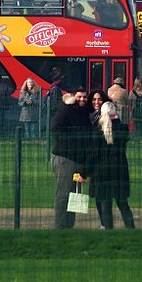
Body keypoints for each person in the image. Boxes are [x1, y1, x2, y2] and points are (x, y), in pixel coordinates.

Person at [50, 89, 95, 228]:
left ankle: (69, 225)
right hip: (65, 156)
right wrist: (73, 142)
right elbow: (55, 130)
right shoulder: (66, 110)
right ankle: (60, 225)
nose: (82, 99)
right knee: (64, 193)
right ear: (74, 97)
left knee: (75, 192)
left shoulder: (85, 112)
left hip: (78, 158)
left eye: (84, 97)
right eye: (79, 96)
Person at [91, 101, 134, 229]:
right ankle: (131, 228)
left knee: (105, 202)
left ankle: (108, 228)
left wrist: (85, 171)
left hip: (103, 170)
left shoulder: (99, 129)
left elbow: (94, 153)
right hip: (119, 169)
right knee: (123, 203)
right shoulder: (123, 128)